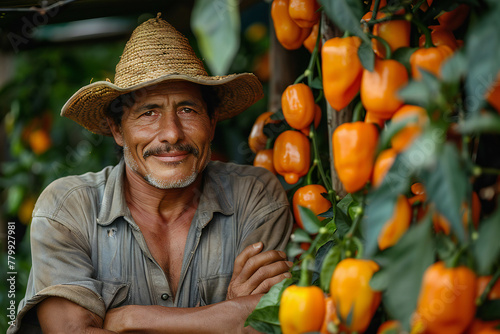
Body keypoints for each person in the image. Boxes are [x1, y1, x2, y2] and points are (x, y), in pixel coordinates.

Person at [9, 14, 293, 334]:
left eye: (188, 109)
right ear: (117, 130)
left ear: (212, 122)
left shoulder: (255, 196)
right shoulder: (68, 208)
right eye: (149, 112)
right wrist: (227, 314)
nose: (171, 133)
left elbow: (270, 323)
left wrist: (129, 320)